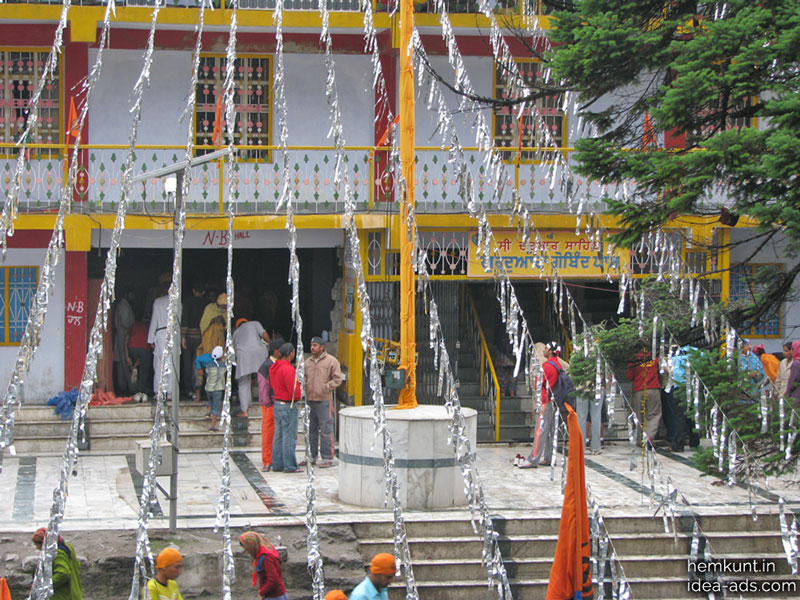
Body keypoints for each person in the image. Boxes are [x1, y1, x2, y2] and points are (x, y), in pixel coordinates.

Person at [519, 342, 562, 469]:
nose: (544, 350)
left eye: (546, 348)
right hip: (552, 401)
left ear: (551, 351)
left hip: (544, 401)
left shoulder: (547, 366)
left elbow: (538, 383)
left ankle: (533, 459)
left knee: (540, 430)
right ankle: (548, 457)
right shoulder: (557, 364)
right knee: (549, 430)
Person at [303, 336, 342, 468]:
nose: (312, 348)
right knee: (311, 430)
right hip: (310, 400)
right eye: (311, 345)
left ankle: (327, 458)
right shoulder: (307, 362)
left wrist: (326, 387)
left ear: (322, 347)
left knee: (326, 430)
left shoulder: (331, 361)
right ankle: (311, 456)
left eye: (315, 345)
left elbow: (337, 379)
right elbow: (303, 377)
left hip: (324, 400)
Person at [270, 343, 303, 473]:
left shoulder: (274, 367)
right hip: (288, 405)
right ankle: (290, 465)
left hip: (277, 403)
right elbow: (294, 392)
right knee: (289, 436)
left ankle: (277, 464)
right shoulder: (288, 369)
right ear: (291, 354)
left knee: (278, 436)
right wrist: (300, 392)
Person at [233, 318, 270, 418]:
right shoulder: (255, 323)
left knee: (243, 382)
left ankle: (245, 411)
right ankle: (267, 405)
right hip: (259, 353)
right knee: (264, 378)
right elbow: (264, 335)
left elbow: (233, 350)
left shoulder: (236, 332)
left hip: (243, 355)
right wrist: (269, 344)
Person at [626, 346, 662, 447]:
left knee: (639, 416)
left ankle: (640, 440)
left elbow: (630, 376)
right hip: (653, 388)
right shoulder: (654, 358)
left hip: (639, 390)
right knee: (654, 414)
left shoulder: (634, 360)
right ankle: (649, 437)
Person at [147, 276, 178, 397]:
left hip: (160, 334)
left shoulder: (157, 301)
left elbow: (154, 320)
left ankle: (159, 391)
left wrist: (150, 339)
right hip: (173, 334)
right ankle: (170, 392)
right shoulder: (176, 301)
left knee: (159, 364)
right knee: (171, 363)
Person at [32, 527, 82, 600]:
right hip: (74, 592)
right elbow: (77, 564)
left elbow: (63, 573)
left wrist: (45, 585)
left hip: (64, 596)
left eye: (37, 544)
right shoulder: (66, 546)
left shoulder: (58, 553)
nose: (37, 548)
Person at [257, 337, 284, 472]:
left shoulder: (280, 364)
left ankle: (276, 458)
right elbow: (263, 386)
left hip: (279, 401)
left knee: (278, 432)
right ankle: (267, 460)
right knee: (268, 432)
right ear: (276, 351)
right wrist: (267, 401)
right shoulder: (266, 365)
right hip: (270, 403)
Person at [238, 531, 287, 600]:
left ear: (252, 545)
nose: (247, 551)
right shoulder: (262, 554)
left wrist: (261, 592)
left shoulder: (267, 558)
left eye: (247, 548)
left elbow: (273, 580)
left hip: (274, 596)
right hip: (272, 595)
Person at [181, 282, 207, 398]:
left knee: (187, 364)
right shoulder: (206, 305)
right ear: (203, 292)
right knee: (197, 363)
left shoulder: (187, 303)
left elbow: (185, 319)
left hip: (188, 337)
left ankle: (189, 389)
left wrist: (183, 336)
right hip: (201, 338)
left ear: (193, 291)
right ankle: (198, 388)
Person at [195, 345, 226, 431]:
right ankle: (213, 425)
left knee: (210, 400)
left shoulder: (208, 365)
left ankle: (208, 411)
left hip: (208, 388)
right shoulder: (223, 366)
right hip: (217, 389)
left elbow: (206, 372)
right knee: (216, 406)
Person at [113, 287, 136, 396]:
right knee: (125, 363)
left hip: (122, 335)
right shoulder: (124, 306)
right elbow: (127, 323)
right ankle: (129, 387)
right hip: (124, 335)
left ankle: (123, 386)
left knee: (121, 364)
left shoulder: (122, 305)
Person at [127, 318, 153, 399]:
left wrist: (127, 357)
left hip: (132, 347)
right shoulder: (149, 325)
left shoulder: (134, 325)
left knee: (136, 367)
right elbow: (151, 340)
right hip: (145, 348)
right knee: (144, 369)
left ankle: (134, 388)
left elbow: (126, 340)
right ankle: (142, 390)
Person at [197, 293, 228, 357]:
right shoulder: (210, 308)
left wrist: (222, 321)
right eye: (223, 305)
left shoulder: (226, 312)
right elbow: (203, 323)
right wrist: (214, 320)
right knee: (209, 354)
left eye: (225, 306)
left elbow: (227, 325)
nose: (224, 307)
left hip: (220, 337)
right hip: (209, 336)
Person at [786, 341, 800, 407]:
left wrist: (787, 394)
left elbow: (793, 381)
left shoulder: (796, 363)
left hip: (796, 396)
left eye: (792, 349)